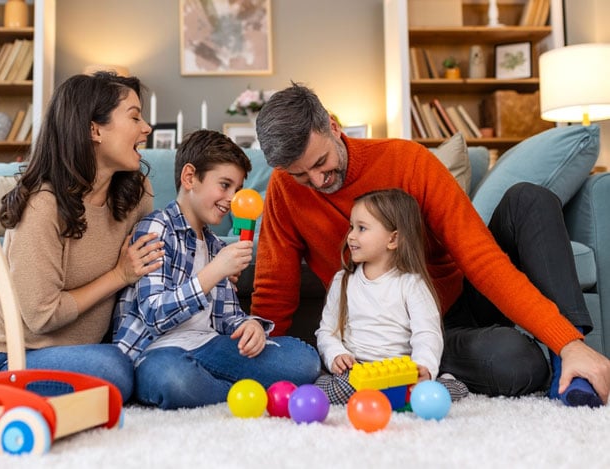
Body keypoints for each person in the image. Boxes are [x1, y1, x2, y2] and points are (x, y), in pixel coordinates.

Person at [252, 82, 610, 407]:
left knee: (530, 199)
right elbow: (275, 289)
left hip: (455, 302)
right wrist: (264, 362)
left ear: (332, 126)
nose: (317, 181)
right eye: (300, 175)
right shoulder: (285, 193)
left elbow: (481, 258)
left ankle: (571, 356)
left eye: (321, 163)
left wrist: (565, 340)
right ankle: (460, 363)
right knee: (519, 364)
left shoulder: (407, 161)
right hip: (394, 340)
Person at [0, 72, 164, 403]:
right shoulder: (43, 206)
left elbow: (156, 259)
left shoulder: (136, 192)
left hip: (91, 352)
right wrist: (118, 275)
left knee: (156, 365)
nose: (146, 127)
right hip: (16, 359)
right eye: (134, 117)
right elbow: (41, 315)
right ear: (94, 130)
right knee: (116, 370)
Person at [112, 129, 321, 410]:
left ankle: (215, 388)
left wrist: (250, 326)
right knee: (172, 381)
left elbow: (227, 318)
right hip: (158, 351)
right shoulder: (157, 228)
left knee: (304, 361)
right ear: (190, 178)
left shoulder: (216, 245)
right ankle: (240, 390)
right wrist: (214, 271)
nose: (232, 199)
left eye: (237, 190)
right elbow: (153, 314)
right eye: (224, 185)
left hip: (209, 346)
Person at [315, 189, 468, 404]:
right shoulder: (343, 281)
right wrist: (336, 355)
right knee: (332, 389)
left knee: (423, 397)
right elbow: (327, 331)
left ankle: (447, 382)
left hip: (398, 374)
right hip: (356, 373)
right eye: (351, 227)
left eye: (362, 228)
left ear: (393, 239)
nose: (351, 235)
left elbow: (427, 334)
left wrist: (424, 368)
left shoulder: (411, 284)